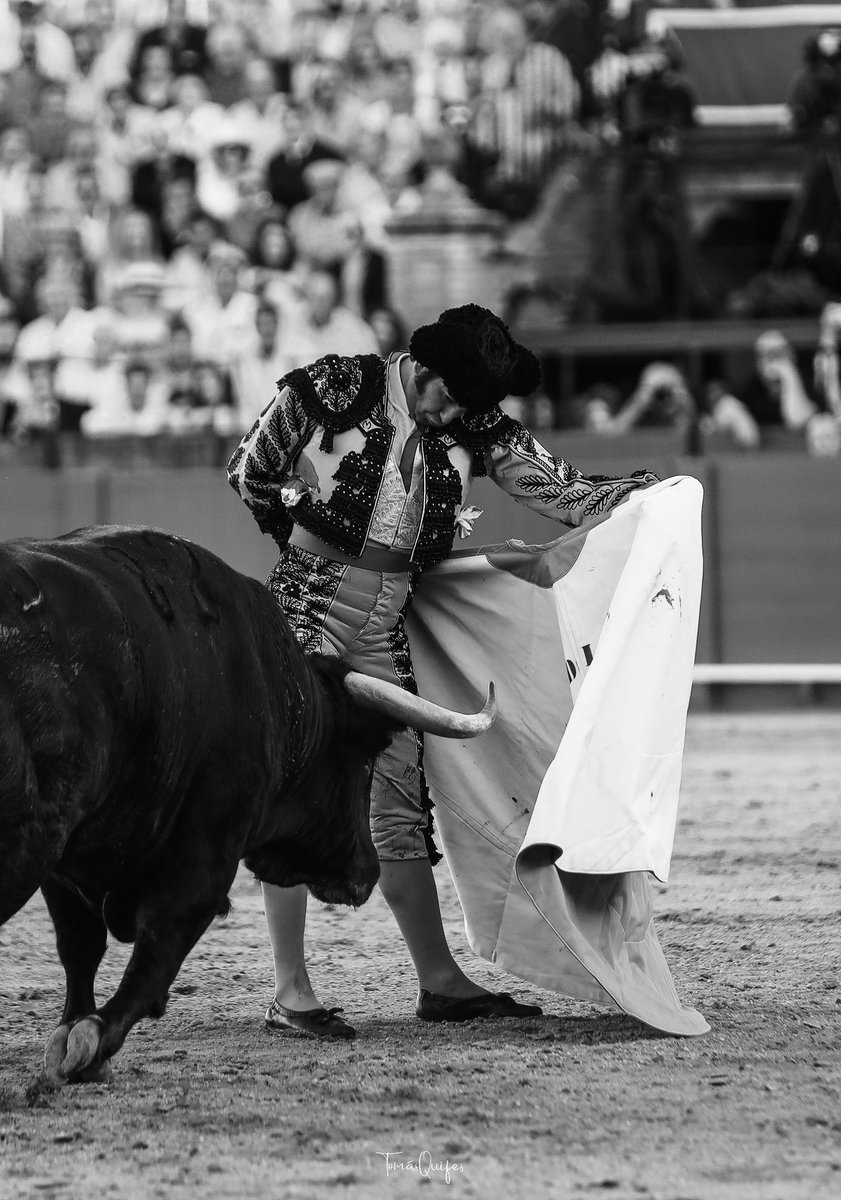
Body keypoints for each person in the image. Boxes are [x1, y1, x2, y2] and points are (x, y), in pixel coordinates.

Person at [227, 303, 657, 1039]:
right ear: (421, 370)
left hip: (383, 627)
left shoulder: (469, 415)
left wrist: (649, 496)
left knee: (398, 804)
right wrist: (304, 538)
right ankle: (291, 990)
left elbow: (554, 488)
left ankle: (439, 981)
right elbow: (250, 471)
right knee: (291, 791)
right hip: (305, 611)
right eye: (447, 398)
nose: (454, 415)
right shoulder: (332, 389)